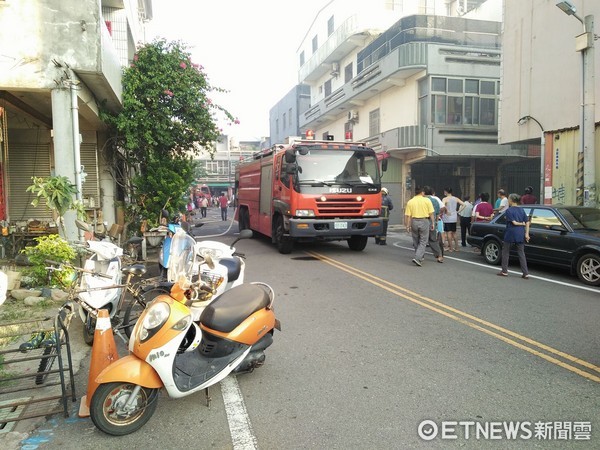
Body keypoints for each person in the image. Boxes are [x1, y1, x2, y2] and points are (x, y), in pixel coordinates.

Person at [497, 193, 530, 279]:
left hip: (511, 233)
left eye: (508, 199)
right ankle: (525, 273)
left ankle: (504, 271)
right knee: (521, 253)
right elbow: (527, 222)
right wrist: (526, 233)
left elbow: (514, 223)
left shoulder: (509, 210)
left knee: (506, 252)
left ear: (511, 200)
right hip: (520, 233)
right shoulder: (522, 210)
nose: (508, 200)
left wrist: (520, 223)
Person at [404, 186, 435, 267]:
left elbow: (407, 216)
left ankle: (420, 257)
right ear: (422, 192)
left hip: (414, 221)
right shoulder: (427, 200)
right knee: (423, 241)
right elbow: (431, 213)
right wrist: (433, 223)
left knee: (415, 240)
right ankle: (418, 258)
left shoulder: (410, 201)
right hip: (424, 221)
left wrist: (407, 226)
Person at [423, 186, 444, 263]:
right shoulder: (435, 200)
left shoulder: (423, 200)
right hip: (433, 221)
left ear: (423, 192)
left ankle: (420, 256)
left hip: (424, 220)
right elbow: (438, 213)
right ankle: (439, 256)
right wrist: (435, 222)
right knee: (433, 240)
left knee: (422, 240)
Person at [441, 187, 463, 252]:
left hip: (447, 217)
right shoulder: (456, 198)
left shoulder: (445, 199)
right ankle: (457, 247)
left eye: (444, 191)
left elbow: (442, 206)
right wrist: (458, 211)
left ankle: (450, 248)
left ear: (446, 192)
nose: (444, 192)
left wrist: (447, 210)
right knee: (454, 232)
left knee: (448, 232)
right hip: (454, 217)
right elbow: (464, 204)